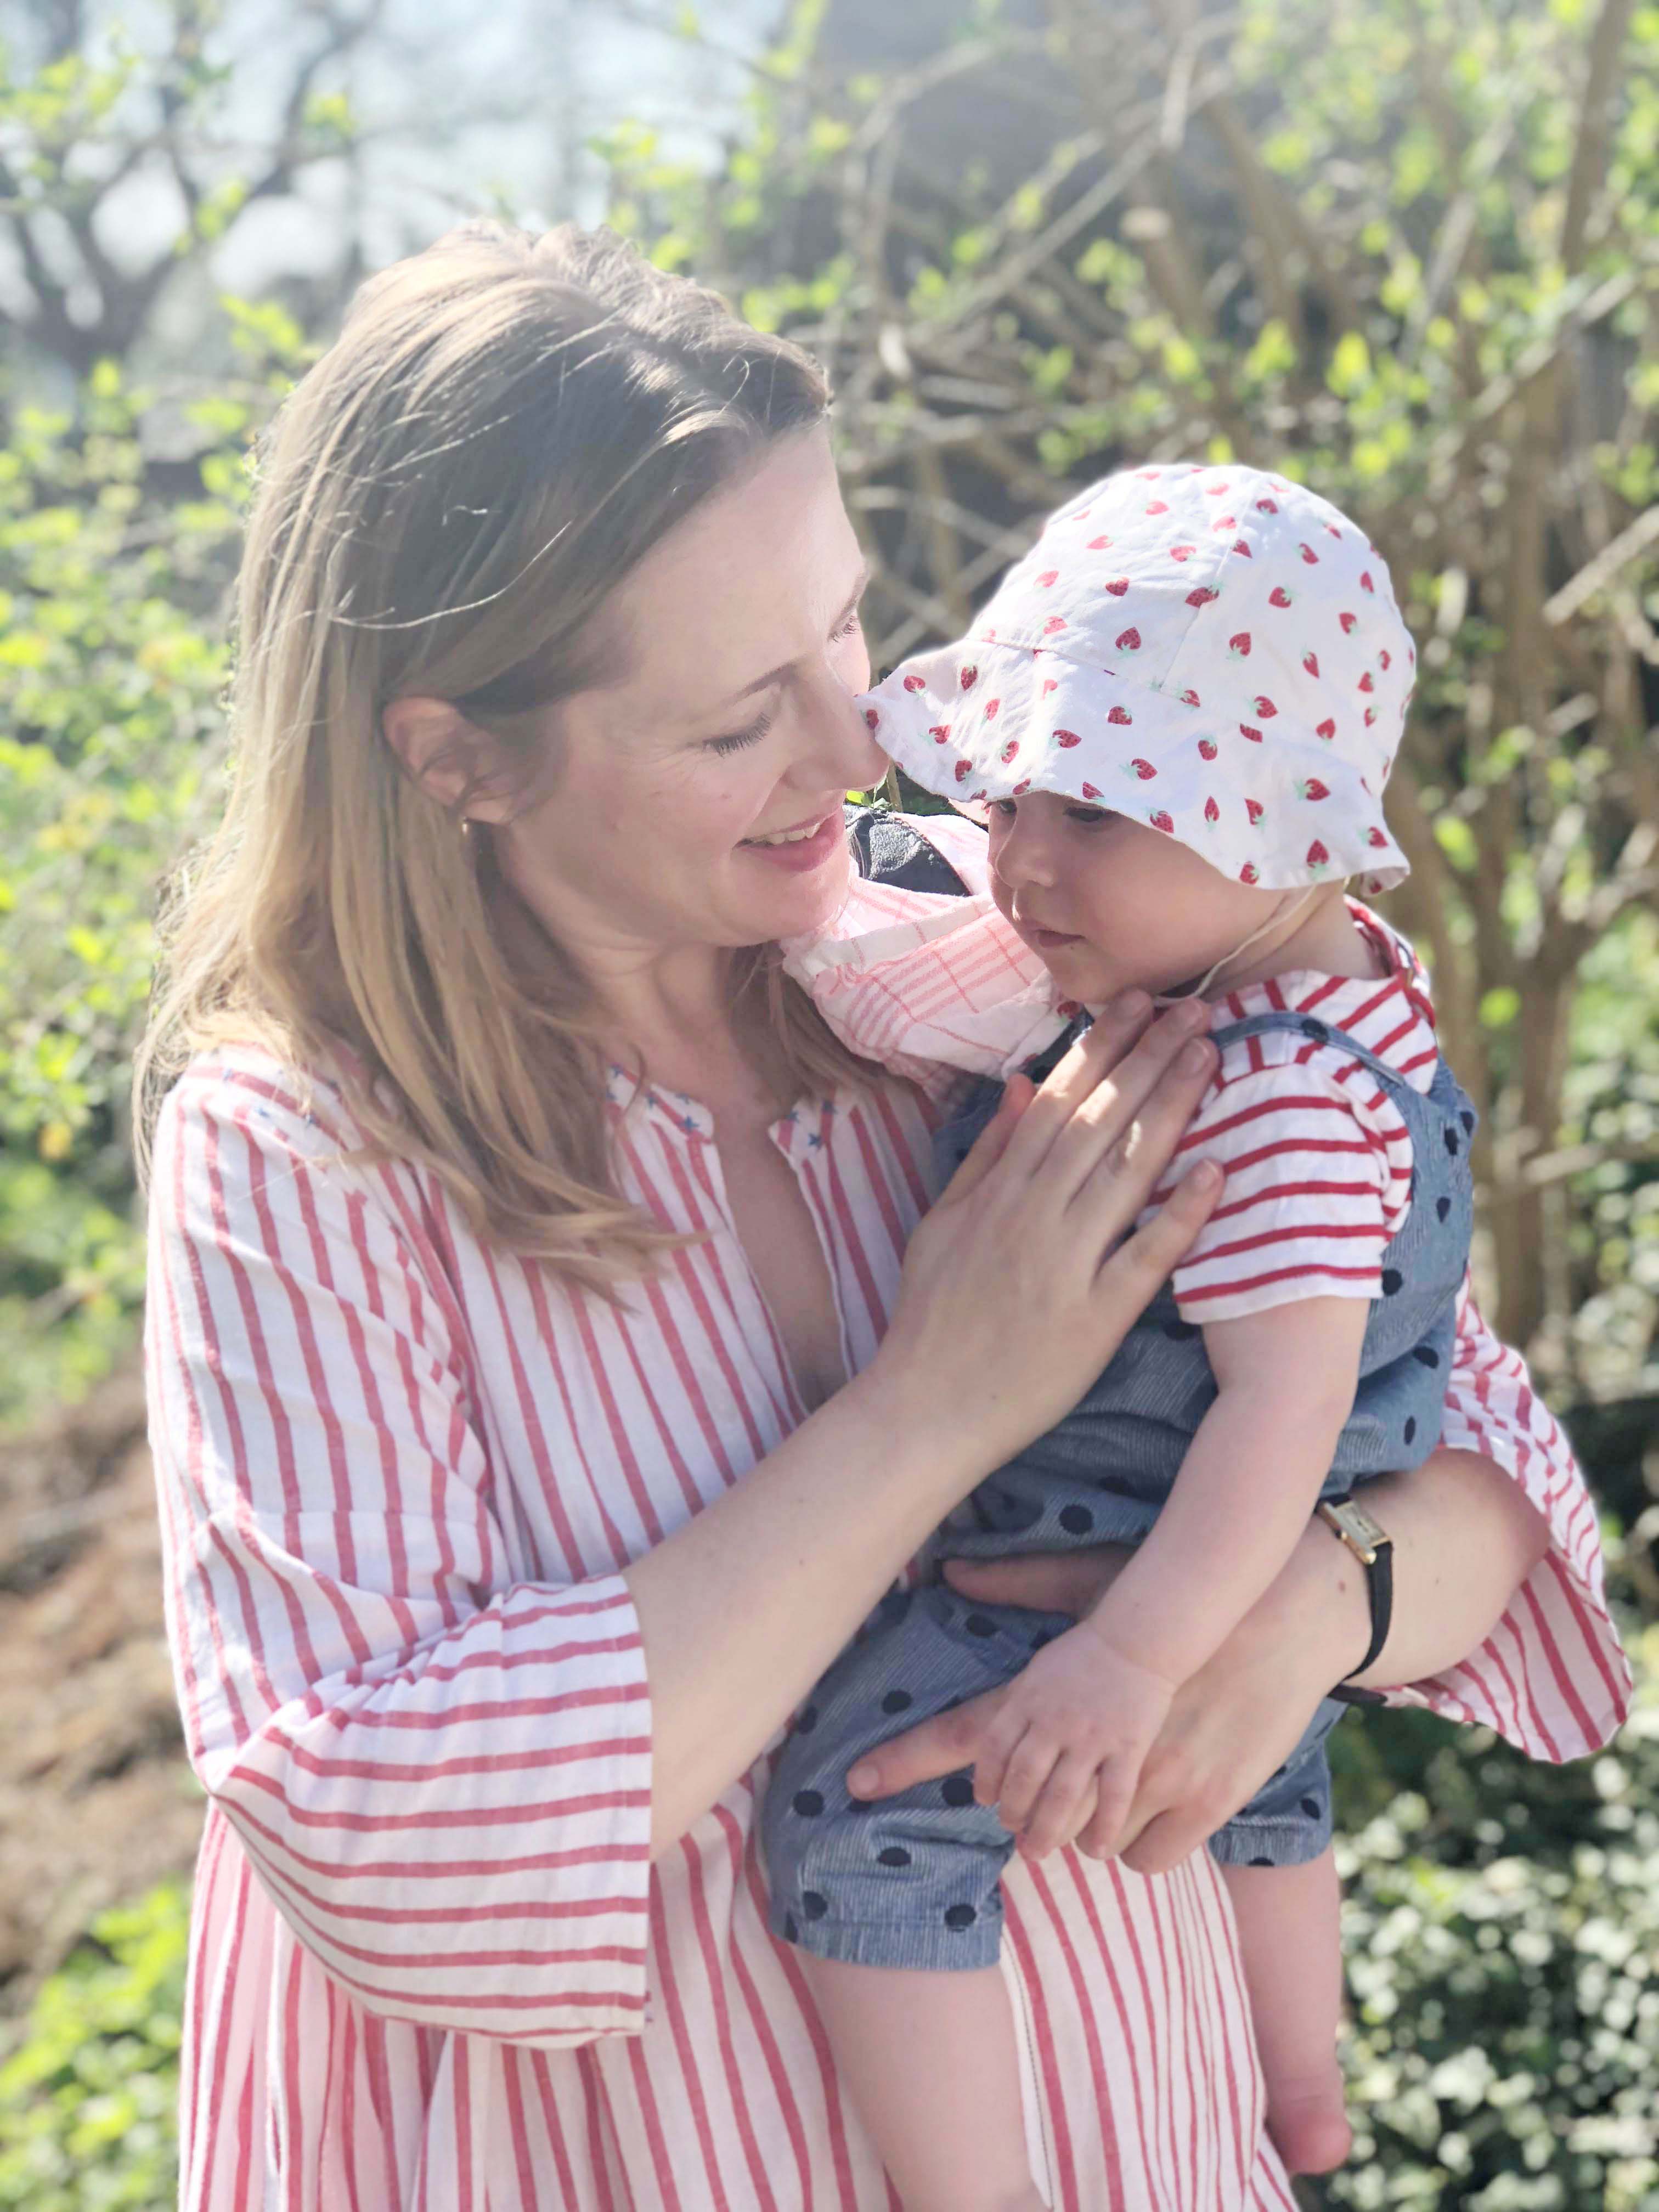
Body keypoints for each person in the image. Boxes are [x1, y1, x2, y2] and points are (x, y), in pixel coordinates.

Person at [137, 223, 1629, 2212]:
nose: (864, 752)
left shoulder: (990, 936)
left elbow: (1478, 1456)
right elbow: (385, 1844)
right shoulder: (307, 1156)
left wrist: (1307, 1607)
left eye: (844, 630)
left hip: (1152, 2144)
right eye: (735, 717)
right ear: (460, 756)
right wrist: (935, 1407)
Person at [764, 462, 1477, 2200]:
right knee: (1269, 1784)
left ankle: (975, 2187)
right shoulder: (1310, 985)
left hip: (1120, 1560)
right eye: (1011, 797)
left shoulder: (1274, 1096)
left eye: (1097, 811)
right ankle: (1304, 2090)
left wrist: (1136, 1659)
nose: (1021, 862)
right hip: (1234, 1572)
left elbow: (1281, 1412)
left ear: (1281, 828)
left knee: (859, 1804)